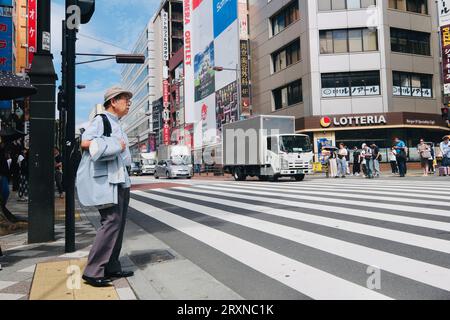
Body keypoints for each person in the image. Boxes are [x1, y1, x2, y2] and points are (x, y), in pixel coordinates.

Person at [80, 87, 134, 287]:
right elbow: (85, 142)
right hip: (108, 181)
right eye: (126, 100)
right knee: (111, 221)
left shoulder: (116, 123)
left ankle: (111, 265)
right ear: (113, 101)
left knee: (118, 224)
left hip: (120, 179)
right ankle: (93, 271)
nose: (129, 103)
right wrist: (113, 145)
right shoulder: (101, 120)